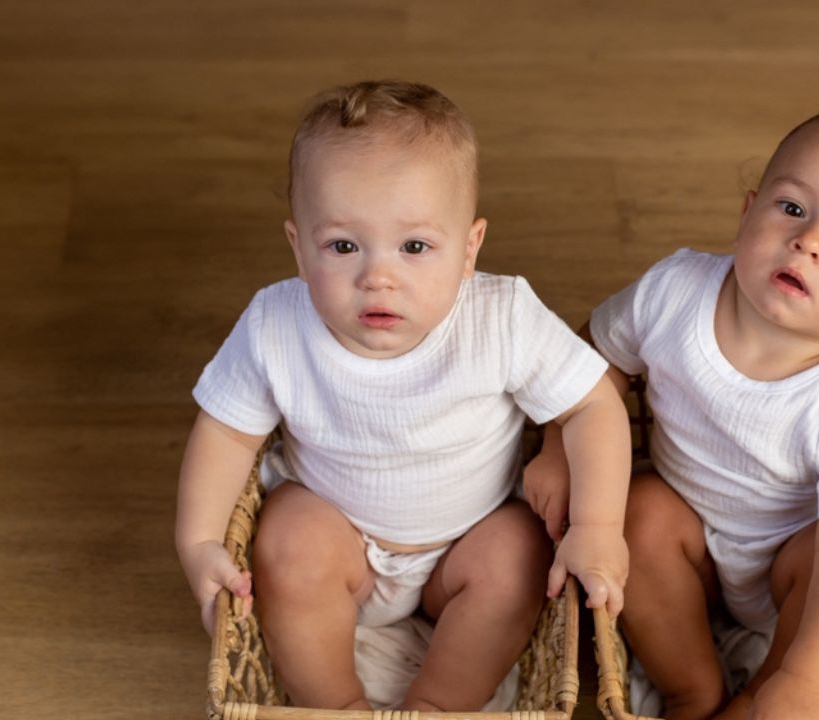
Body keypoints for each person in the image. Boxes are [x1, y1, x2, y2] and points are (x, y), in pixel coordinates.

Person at [175, 80, 630, 712]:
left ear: (469, 249)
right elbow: (225, 431)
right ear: (299, 249)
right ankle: (337, 706)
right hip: (342, 541)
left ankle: (438, 706)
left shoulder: (500, 316)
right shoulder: (274, 325)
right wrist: (198, 542)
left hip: (466, 543)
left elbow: (591, 405)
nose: (377, 277)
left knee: (520, 554)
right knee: (285, 539)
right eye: (342, 246)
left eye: (415, 247)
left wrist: (599, 526)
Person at [525, 107, 819, 720]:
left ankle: (767, 696)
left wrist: (804, 687)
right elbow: (590, 360)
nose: (810, 240)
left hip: (799, 566)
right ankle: (693, 691)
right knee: (639, 509)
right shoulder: (674, 292)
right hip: (689, 544)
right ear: (747, 211)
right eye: (792, 208)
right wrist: (555, 445)